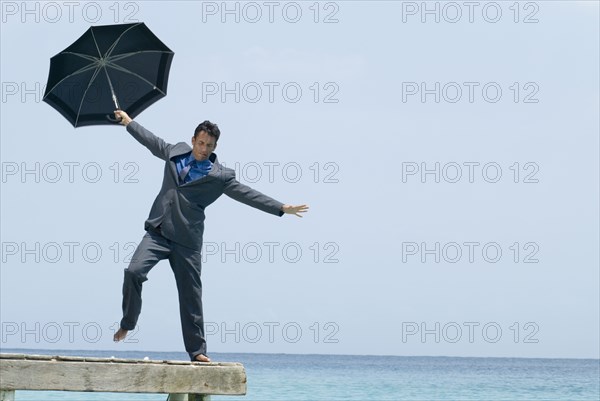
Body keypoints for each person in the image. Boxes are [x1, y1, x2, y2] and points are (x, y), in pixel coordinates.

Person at [111, 110, 308, 362]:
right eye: (201, 143)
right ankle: (128, 322)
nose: (204, 149)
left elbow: (247, 194)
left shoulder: (220, 177)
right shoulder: (174, 153)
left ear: (216, 147)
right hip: (158, 232)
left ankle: (197, 352)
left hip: (187, 242)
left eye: (210, 146)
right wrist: (128, 122)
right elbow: (151, 141)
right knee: (133, 272)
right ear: (193, 140)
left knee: (191, 296)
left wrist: (280, 207)